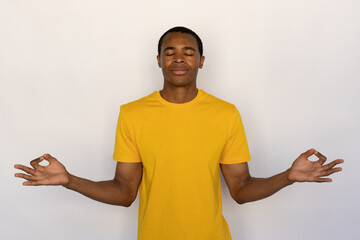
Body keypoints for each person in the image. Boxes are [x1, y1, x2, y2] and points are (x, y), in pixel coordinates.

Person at [14, 26, 344, 240]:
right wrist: (69, 180)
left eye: (188, 51)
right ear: (158, 60)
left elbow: (240, 189)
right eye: (170, 52)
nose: (179, 58)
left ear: (201, 61)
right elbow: (125, 191)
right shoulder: (132, 114)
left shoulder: (225, 113)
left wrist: (288, 176)